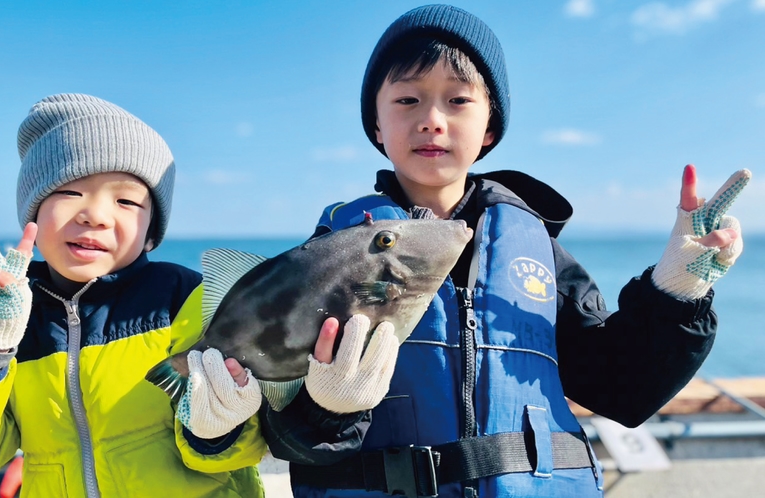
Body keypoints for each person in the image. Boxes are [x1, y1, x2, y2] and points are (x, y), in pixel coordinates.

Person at [259, 5, 750, 498]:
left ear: (490, 127)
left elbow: (620, 387)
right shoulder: (333, 253)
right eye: (408, 99)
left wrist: (678, 287)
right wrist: (326, 406)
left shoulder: (536, 250)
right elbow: (286, 428)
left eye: (457, 100)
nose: (431, 120)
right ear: (377, 126)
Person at [0, 93, 267, 497]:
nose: (95, 215)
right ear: (33, 212)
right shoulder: (14, 324)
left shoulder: (190, 301)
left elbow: (242, 450)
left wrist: (216, 429)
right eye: (69, 192)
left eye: (126, 200)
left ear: (151, 233)